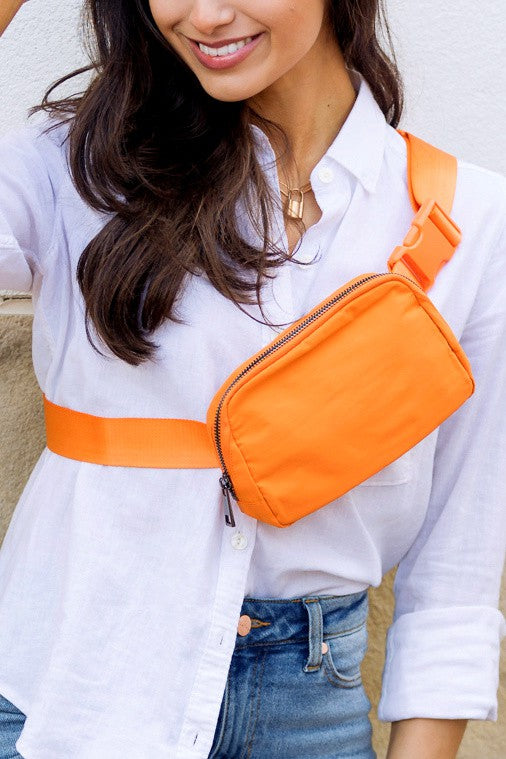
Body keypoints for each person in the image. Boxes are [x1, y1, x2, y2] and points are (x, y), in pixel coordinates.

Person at [0, 1, 504, 758]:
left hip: (309, 712)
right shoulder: (69, 171)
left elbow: (455, 575)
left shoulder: (470, 219)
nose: (205, 15)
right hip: (73, 693)